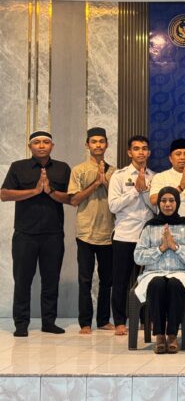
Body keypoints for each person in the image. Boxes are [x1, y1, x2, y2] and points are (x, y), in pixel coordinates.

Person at [1, 131, 71, 337]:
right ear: (30, 146)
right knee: (22, 280)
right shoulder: (18, 167)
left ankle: (49, 322)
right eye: (37, 142)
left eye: (46, 142)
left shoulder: (62, 168)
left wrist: (50, 191)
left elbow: (71, 199)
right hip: (25, 235)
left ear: (52, 146)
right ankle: (21, 324)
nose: (41, 146)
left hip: (53, 234)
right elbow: (4, 194)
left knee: (51, 280)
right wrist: (34, 191)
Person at [133, 187, 185, 354]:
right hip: (154, 273)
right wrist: (161, 248)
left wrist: (176, 247)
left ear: (177, 203)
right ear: (158, 203)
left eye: (171, 200)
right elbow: (138, 256)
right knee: (157, 284)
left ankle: (172, 335)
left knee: (174, 284)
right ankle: (159, 336)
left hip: (182, 273)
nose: (167, 204)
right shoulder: (150, 226)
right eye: (163, 201)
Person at [68, 127, 115, 334]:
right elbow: (74, 200)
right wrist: (96, 183)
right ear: (87, 145)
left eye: (101, 141)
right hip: (85, 232)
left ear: (107, 144)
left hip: (109, 233)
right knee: (85, 279)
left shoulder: (115, 172)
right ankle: (85, 323)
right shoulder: (78, 170)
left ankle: (103, 320)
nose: (98, 145)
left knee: (107, 280)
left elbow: (119, 200)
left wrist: (106, 182)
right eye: (94, 141)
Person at [108, 135, 156, 336]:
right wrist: (135, 191)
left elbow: (157, 209)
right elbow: (113, 206)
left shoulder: (155, 177)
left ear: (149, 152)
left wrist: (144, 192)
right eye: (136, 149)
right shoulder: (119, 176)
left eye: (144, 148)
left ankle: (146, 320)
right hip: (124, 235)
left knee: (146, 280)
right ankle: (120, 321)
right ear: (129, 152)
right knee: (120, 281)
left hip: (147, 237)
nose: (141, 152)